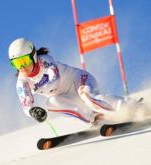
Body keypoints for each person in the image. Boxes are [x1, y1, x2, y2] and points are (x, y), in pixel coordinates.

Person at [8, 37, 139, 125]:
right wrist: (33, 112)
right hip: (67, 96)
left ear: (33, 56)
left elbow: (54, 78)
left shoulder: (45, 61)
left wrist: (36, 87)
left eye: (24, 61)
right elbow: (25, 104)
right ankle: (95, 119)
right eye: (16, 63)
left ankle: (130, 107)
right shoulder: (22, 81)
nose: (22, 67)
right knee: (51, 103)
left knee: (89, 98)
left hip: (80, 81)